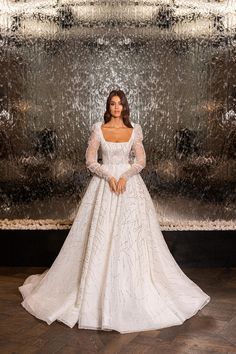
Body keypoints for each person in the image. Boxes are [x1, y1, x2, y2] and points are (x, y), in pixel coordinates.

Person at [18, 89, 210, 334]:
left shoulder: (134, 130)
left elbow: (141, 161)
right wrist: (109, 176)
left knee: (132, 238)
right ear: (108, 106)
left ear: (125, 107)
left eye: (120, 104)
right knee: (100, 235)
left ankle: (132, 287)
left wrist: (125, 176)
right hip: (103, 186)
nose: (116, 107)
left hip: (129, 188)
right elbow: (90, 161)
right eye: (112, 103)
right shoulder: (98, 128)